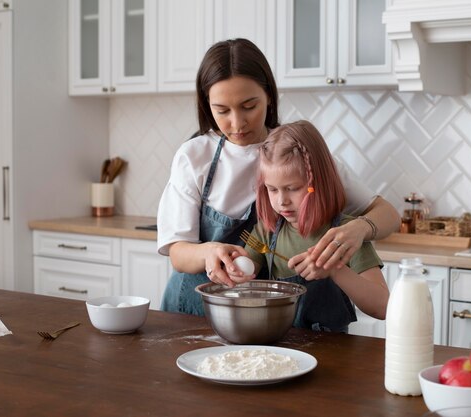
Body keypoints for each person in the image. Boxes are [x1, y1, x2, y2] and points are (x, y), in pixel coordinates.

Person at [157, 38, 400, 316]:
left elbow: (388, 214)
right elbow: (177, 252)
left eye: (249, 106)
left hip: (267, 320)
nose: (237, 123)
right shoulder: (194, 155)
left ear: (269, 96)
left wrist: (358, 229)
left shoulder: (298, 151)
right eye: (222, 110)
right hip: (193, 307)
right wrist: (208, 252)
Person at [228, 120, 388, 331]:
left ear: (318, 184)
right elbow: (244, 283)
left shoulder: (346, 236)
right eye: (272, 189)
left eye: (292, 188)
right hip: (280, 348)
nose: (282, 201)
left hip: (334, 352)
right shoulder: (267, 231)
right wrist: (233, 272)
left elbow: (383, 307)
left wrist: (335, 270)